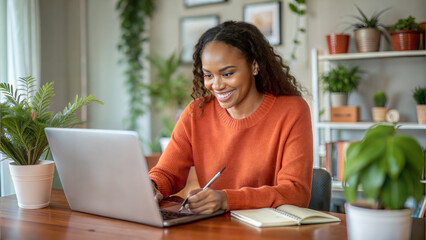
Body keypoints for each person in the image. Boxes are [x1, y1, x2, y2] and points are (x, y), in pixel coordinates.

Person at [149, 21, 313, 214]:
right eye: (208, 75)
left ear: (254, 66)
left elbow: (296, 193)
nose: (217, 85)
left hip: (270, 230)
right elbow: (167, 172)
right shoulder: (197, 112)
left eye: (227, 74)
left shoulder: (292, 111)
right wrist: (152, 186)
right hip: (215, 228)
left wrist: (228, 199)